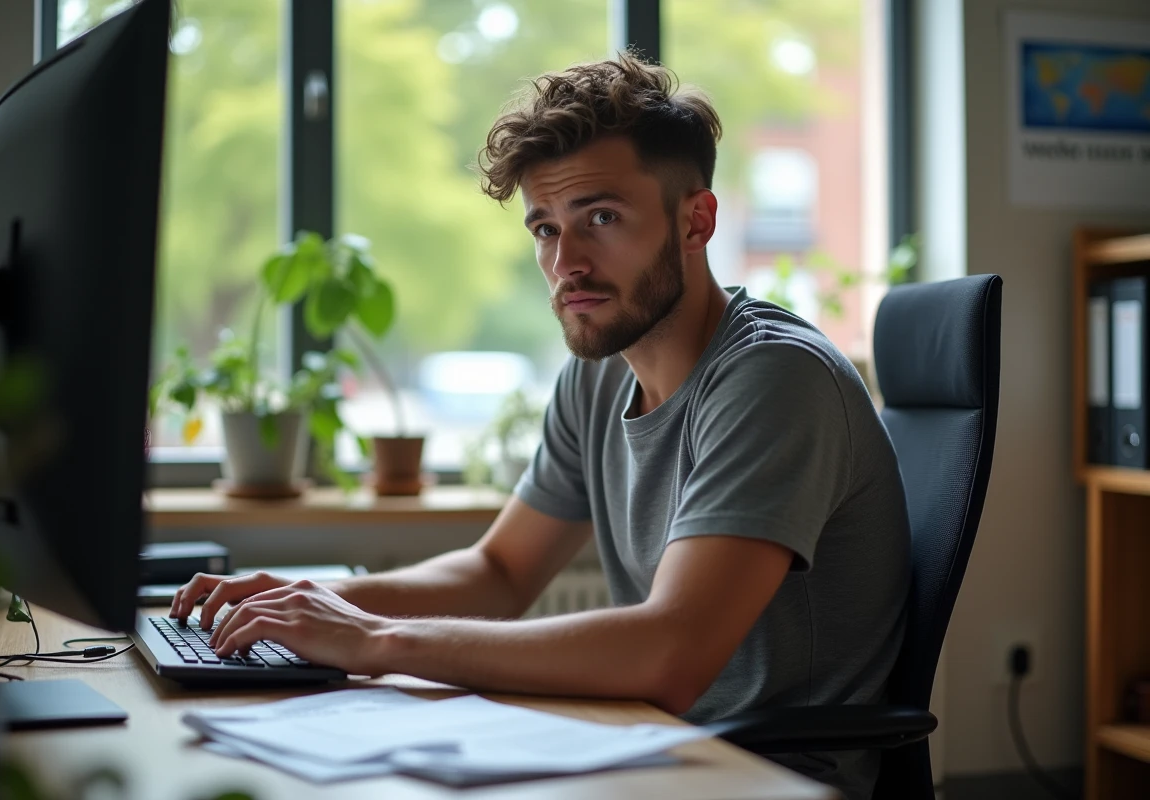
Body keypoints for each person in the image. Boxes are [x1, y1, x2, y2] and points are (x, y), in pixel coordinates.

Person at [171, 53, 911, 798]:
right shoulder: (598, 374)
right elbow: (498, 573)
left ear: (697, 220)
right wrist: (308, 604)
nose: (567, 264)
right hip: (649, 748)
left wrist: (375, 640)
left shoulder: (773, 378)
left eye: (601, 218)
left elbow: (672, 654)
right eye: (546, 229)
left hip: (764, 777)